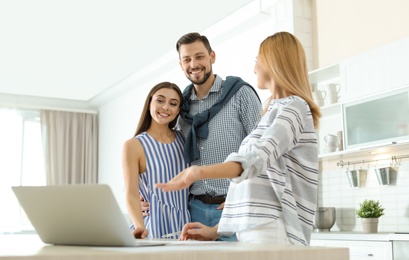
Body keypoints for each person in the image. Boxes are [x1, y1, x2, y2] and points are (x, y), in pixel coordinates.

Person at [156, 31, 321, 245]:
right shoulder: (272, 110)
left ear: (274, 63)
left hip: (273, 227)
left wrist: (198, 172)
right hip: (253, 225)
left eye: (257, 61)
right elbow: (257, 186)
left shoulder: (294, 108)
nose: (254, 68)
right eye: (186, 59)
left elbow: (255, 160)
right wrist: (216, 231)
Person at [175, 32, 262, 241]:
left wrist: (242, 198)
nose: (194, 64)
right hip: (193, 209)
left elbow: (260, 151)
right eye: (187, 59)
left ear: (212, 56)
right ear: (181, 65)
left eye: (199, 56)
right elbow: (170, 152)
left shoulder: (240, 94)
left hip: (233, 208)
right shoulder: (180, 107)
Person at [122, 81, 190, 239]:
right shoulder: (133, 145)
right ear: (149, 103)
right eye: (160, 100)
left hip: (185, 225)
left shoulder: (184, 139)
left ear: (178, 110)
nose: (166, 107)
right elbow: (131, 193)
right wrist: (140, 226)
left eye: (173, 104)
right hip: (152, 226)